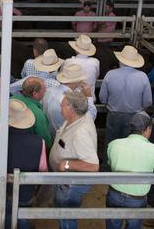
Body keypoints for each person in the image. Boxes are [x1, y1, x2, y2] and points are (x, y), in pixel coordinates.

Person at [105, 112, 154, 229]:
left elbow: (110, 163)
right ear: (147, 129)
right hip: (136, 199)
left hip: (114, 194)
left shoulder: (114, 145)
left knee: (113, 226)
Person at [0, 99, 46, 229]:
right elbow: (42, 169)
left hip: (3, 191)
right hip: (27, 192)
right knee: (24, 219)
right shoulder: (39, 142)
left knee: (4, 220)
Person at [49, 91, 99, 229]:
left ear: (72, 108)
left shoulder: (80, 133)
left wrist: (66, 164)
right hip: (64, 181)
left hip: (70, 185)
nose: (60, 106)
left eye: (63, 104)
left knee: (66, 216)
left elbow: (94, 166)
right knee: (62, 212)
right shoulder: (76, 118)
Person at [100, 45, 152, 146]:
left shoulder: (110, 74)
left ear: (120, 60)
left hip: (114, 114)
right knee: (129, 144)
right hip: (134, 115)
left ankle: (108, 161)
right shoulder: (143, 76)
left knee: (111, 143)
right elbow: (148, 101)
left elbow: (102, 98)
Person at [43, 63, 97, 136]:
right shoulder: (70, 100)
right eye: (80, 79)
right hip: (67, 137)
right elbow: (89, 119)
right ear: (76, 81)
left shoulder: (49, 91)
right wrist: (89, 97)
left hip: (52, 134)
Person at [11, 78, 52, 148]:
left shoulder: (11, 100)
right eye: (44, 89)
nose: (46, 91)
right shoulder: (38, 114)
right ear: (35, 94)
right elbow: (45, 141)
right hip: (28, 149)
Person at [67, 34, 100, 100]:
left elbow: (63, 78)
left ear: (76, 49)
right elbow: (96, 76)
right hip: (89, 98)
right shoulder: (95, 62)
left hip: (73, 100)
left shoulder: (68, 62)